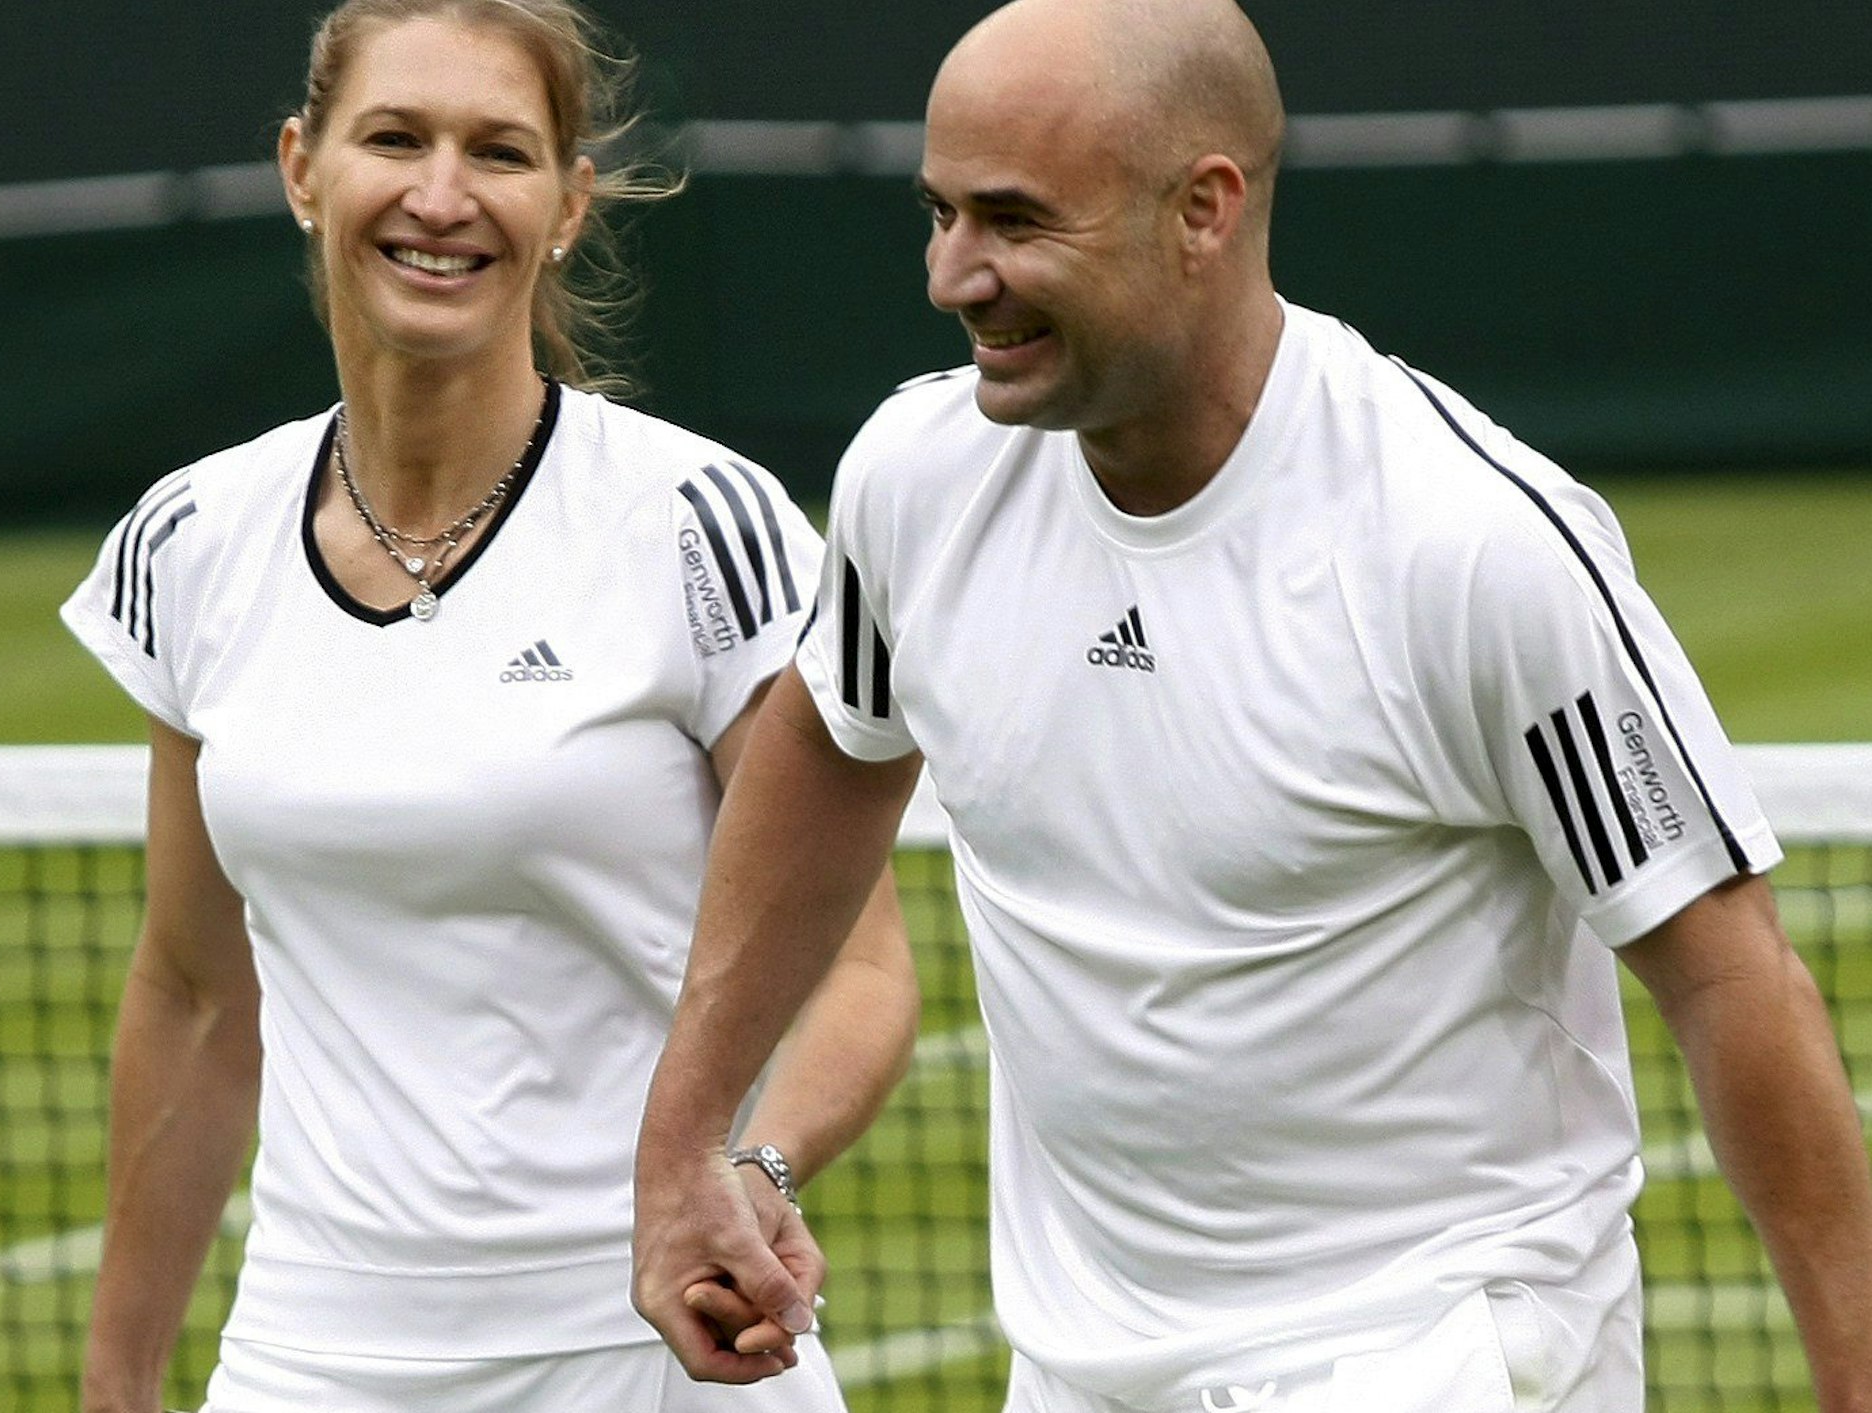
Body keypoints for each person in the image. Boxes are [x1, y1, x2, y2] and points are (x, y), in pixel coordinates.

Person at [629, 0, 1872, 1408]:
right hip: (1083, 1366)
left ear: (1203, 211)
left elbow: (1733, 975)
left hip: (1438, 1350)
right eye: (939, 214)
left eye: (1015, 221)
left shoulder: (1471, 545)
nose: (952, 275)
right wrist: (688, 1145)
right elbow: (830, 743)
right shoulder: (914, 480)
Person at [61, 3, 918, 1410]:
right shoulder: (188, 541)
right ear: (301, 166)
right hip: (311, 1359)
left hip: (664, 1348)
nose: (442, 196)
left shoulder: (701, 525)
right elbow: (198, 994)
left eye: (500, 152)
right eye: (394, 137)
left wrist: (739, 1177)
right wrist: (117, 1380)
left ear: (568, 201)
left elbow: (863, 969)